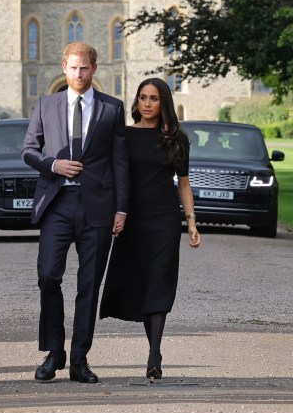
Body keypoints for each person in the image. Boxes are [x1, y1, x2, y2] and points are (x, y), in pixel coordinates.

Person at [22, 41, 129, 383]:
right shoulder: (46, 104)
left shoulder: (112, 109)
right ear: (63, 68)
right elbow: (28, 150)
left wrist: (122, 208)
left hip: (98, 206)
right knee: (48, 276)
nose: (79, 74)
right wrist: (53, 163)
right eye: (73, 67)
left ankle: (81, 358)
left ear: (94, 69)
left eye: (85, 68)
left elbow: (120, 162)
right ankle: (55, 351)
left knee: (89, 284)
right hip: (57, 204)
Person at [100, 77, 201, 382]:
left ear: (164, 103)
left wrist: (192, 221)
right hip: (133, 219)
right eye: (143, 97)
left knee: (160, 280)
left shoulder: (177, 139)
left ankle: (154, 354)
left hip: (165, 220)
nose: (147, 103)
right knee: (142, 283)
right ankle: (154, 349)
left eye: (154, 99)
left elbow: (183, 183)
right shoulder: (124, 136)